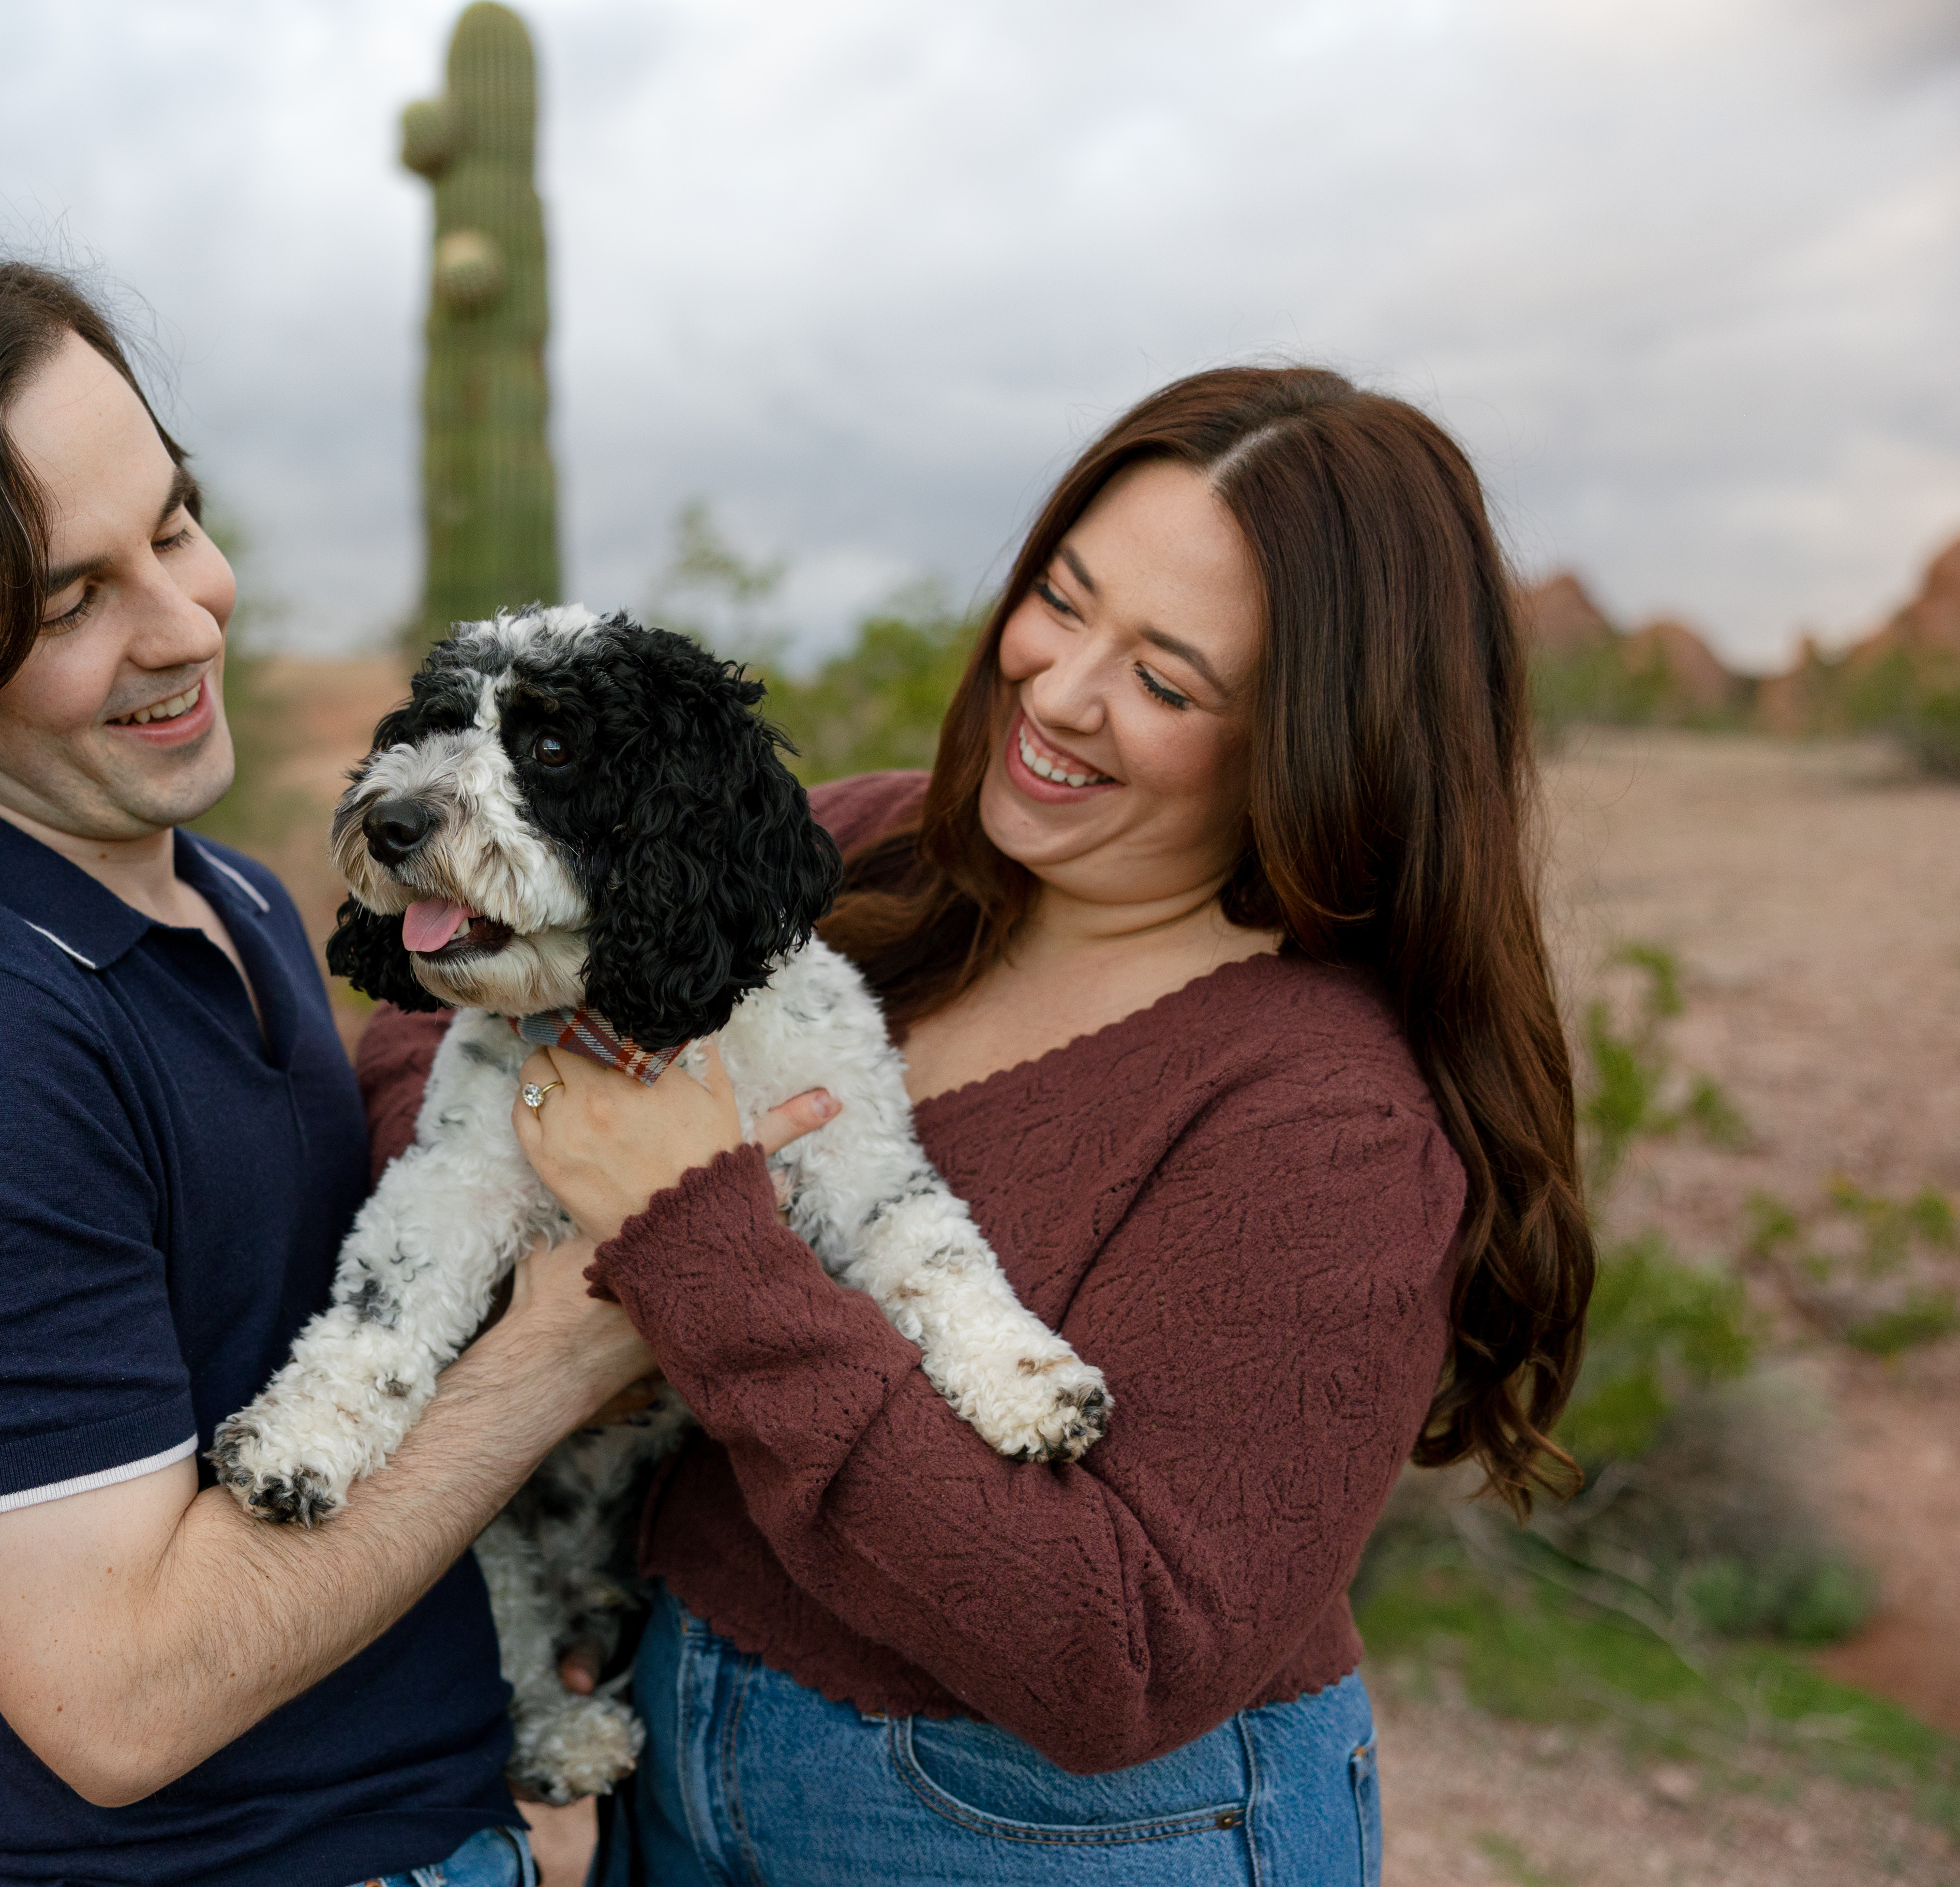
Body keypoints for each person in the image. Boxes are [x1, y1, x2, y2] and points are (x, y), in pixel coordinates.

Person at [358, 365, 1595, 1883]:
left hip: (1062, 1840)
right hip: (681, 1781)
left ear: (1316, 739)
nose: (1061, 691)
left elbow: (1122, 1658)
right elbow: (432, 1008)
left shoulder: (1331, 1125)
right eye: (1062, 602)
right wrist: (515, 1240)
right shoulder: (869, 857)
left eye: (1166, 678)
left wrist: (693, 1258)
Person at [0, 252, 810, 1887]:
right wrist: (578, 1338)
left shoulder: (201, 890)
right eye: (72, 602)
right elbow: (116, 1702)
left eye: (172, 522)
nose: (187, 615)